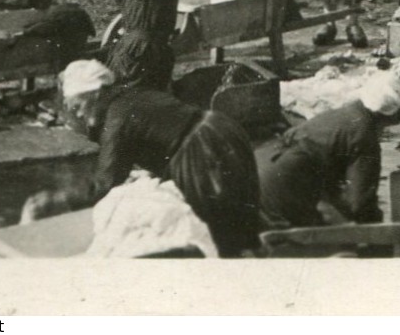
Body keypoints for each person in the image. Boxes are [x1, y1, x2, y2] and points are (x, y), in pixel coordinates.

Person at [26, 61, 262, 256]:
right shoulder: (130, 94)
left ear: (95, 94)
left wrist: (58, 200)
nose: (76, 113)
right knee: (235, 217)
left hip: (201, 149)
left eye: (77, 105)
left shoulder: (116, 118)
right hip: (218, 129)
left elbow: (106, 182)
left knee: (213, 224)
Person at [257, 71, 400, 229]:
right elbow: (360, 203)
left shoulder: (340, 114)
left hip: (260, 166)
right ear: (390, 116)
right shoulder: (364, 134)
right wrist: (379, 233)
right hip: (283, 181)